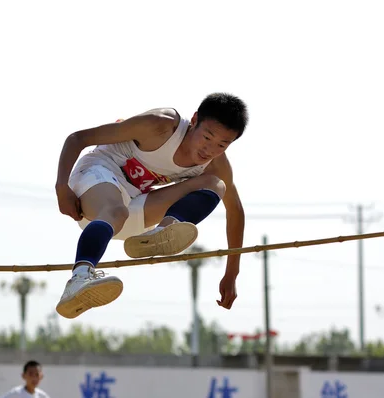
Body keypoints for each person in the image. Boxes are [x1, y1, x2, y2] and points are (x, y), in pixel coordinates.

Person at [54, 93, 248, 319]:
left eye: (222, 145)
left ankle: (164, 229)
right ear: (194, 120)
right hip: (95, 181)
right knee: (117, 210)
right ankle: (80, 277)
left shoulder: (216, 164)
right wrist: (61, 187)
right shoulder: (161, 125)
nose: (209, 150)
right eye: (207, 137)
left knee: (215, 183)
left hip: (131, 210)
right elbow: (77, 138)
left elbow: (235, 212)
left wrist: (232, 274)